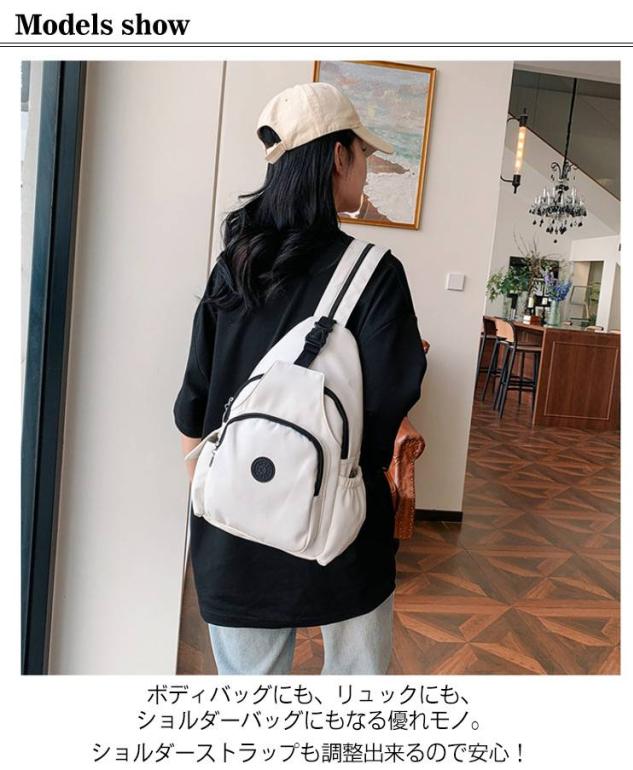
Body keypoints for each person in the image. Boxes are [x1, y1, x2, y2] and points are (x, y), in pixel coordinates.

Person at [173, 82, 427, 675]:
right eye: (363, 153)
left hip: (235, 532)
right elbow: (385, 412)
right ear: (338, 156)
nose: (366, 167)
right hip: (342, 526)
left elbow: (193, 405)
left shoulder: (234, 264)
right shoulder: (377, 274)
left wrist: (220, 492)